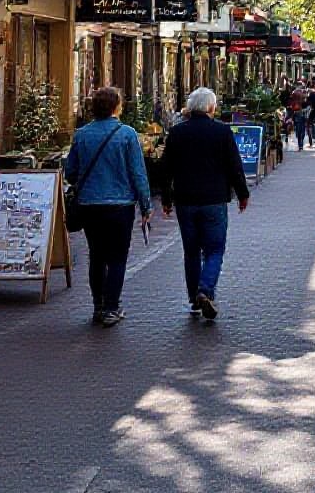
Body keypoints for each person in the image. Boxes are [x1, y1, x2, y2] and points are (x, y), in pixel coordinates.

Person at [65, 86, 152, 327]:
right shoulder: (127, 134)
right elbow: (138, 173)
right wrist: (145, 204)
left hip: (90, 205)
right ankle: (111, 308)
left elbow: (70, 171)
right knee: (117, 258)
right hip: (120, 206)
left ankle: (98, 305)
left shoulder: (81, 134)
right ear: (117, 107)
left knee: (97, 256)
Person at [159, 87, 250, 321]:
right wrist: (242, 194)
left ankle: (194, 299)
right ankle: (205, 289)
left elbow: (165, 168)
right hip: (214, 200)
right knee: (215, 249)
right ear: (211, 107)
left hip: (186, 200)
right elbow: (234, 166)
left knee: (191, 251)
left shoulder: (177, 133)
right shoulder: (222, 132)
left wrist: (167, 199)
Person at [289, 81, 309, 151]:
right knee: (303, 127)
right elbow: (307, 102)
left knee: (298, 127)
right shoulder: (304, 92)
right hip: (304, 112)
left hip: (297, 112)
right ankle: (301, 143)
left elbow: (291, 104)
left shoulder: (294, 93)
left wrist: (291, 114)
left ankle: (299, 143)